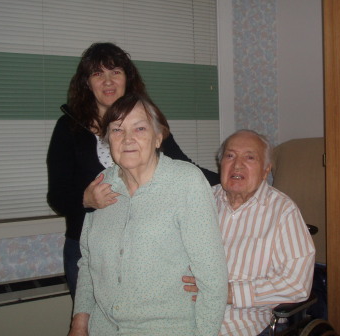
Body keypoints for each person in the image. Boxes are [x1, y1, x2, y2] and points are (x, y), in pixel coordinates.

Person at [46, 42, 220, 299]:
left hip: (143, 250)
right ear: (86, 83)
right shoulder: (68, 127)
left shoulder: (148, 122)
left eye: (115, 71)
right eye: (97, 74)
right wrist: (85, 199)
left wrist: (229, 180)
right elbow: (57, 196)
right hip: (89, 252)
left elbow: (183, 167)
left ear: (128, 78)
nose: (108, 81)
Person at [67, 93, 228, 336]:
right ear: (107, 140)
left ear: (158, 137)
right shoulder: (101, 186)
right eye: (117, 130)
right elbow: (89, 265)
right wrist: (78, 326)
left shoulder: (186, 182)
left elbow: (213, 278)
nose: (127, 139)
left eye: (139, 128)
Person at [183, 130, 315, 336]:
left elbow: (296, 284)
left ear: (265, 170)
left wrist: (230, 293)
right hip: (184, 318)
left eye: (249, 157)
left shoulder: (283, 211)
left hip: (241, 326)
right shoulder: (201, 200)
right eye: (230, 155)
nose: (237, 165)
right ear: (221, 164)